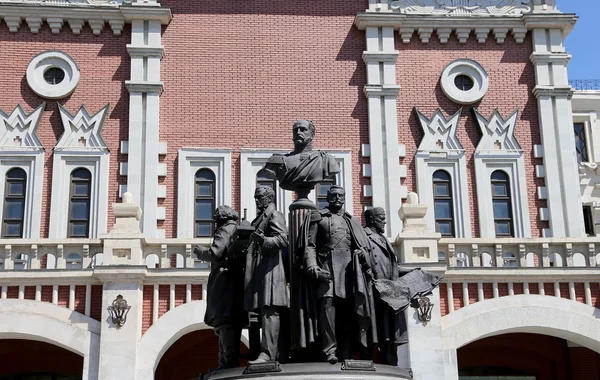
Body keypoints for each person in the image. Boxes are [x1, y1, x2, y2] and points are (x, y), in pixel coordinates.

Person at [298, 185, 376, 364]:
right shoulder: (318, 217)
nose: (337, 199)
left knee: (348, 312)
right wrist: (312, 266)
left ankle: (346, 351)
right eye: (333, 195)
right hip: (327, 270)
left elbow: (363, 246)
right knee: (327, 309)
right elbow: (310, 245)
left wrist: (363, 256)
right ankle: (329, 351)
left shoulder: (352, 221)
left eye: (341, 195)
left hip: (350, 272)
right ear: (327, 197)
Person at [194, 206, 247, 370]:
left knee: (224, 321)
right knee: (226, 323)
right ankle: (226, 363)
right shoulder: (235, 229)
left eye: (216, 218)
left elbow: (215, 253)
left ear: (221, 218)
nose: (214, 222)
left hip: (224, 282)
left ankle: (227, 364)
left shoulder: (225, 230)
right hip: (231, 281)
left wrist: (199, 252)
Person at [244, 186, 290, 363]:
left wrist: (263, 240)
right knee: (261, 312)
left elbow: (282, 239)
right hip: (259, 270)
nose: (256, 200)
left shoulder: (274, 215)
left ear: (269, 198)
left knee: (270, 311)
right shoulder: (259, 218)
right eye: (255, 197)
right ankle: (262, 352)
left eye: (259, 197)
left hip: (271, 271)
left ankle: (268, 354)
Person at [363, 207, 407, 366]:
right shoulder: (364, 236)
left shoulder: (383, 239)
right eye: (382, 218)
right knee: (373, 332)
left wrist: (413, 271)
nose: (385, 222)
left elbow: (392, 267)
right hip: (374, 293)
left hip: (389, 293)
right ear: (372, 220)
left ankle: (391, 364)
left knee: (390, 334)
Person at [262, 120, 340, 195]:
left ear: (312, 134)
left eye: (303, 130)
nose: (298, 133)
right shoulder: (278, 161)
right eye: (295, 130)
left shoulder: (325, 159)